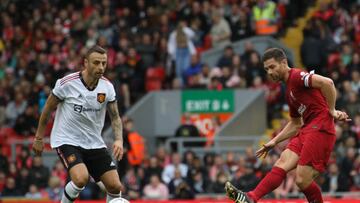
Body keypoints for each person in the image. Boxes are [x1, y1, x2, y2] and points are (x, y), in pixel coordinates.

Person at [225, 48, 350, 203]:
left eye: (272, 67)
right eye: (266, 69)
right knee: (282, 162)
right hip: (307, 129)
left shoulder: (297, 76)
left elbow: (327, 83)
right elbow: (296, 124)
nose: (269, 72)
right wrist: (274, 141)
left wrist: (332, 109)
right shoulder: (288, 90)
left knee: (301, 180)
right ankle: (251, 198)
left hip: (320, 128)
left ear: (284, 63)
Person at [32, 45, 125, 203]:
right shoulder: (67, 83)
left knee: (115, 186)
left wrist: (119, 140)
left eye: (104, 63)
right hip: (67, 139)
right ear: (85, 63)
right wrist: (39, 138)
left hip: (94, 142)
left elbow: (115, 117)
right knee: (81, 178)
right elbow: (47, 109)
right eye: (96, 62)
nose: (101, 67)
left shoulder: (107, 87)